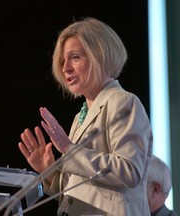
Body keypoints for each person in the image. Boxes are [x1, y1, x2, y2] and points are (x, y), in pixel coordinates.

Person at [18, 17, 153, 216]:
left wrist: (69, 150)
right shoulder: (80, 115)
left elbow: (129, 171)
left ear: (100, 55)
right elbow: (79, 189)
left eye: (75, 57)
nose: (65, 68)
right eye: (63, 61)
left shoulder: (123, 101)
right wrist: (49, 171)